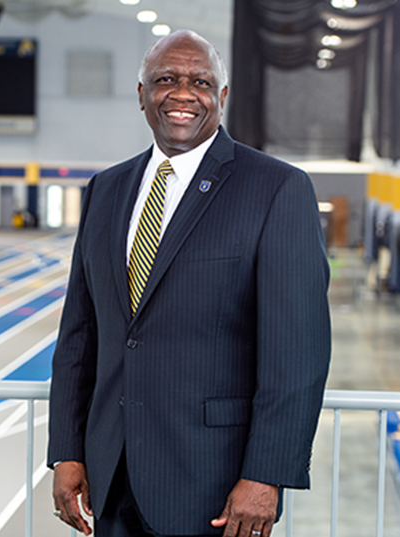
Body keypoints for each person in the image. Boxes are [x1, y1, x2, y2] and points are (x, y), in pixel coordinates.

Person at [47, 29, 331, 537]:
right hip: (112, 475)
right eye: (165, 80)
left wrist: (266, 474)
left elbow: (298, 353)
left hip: (214, 484)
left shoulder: (277, 189)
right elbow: (80, 335)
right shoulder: (106, 190)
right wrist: (67, 452)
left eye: (200, 81)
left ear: (221, 97)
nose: (182, 94)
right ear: (141, 95)